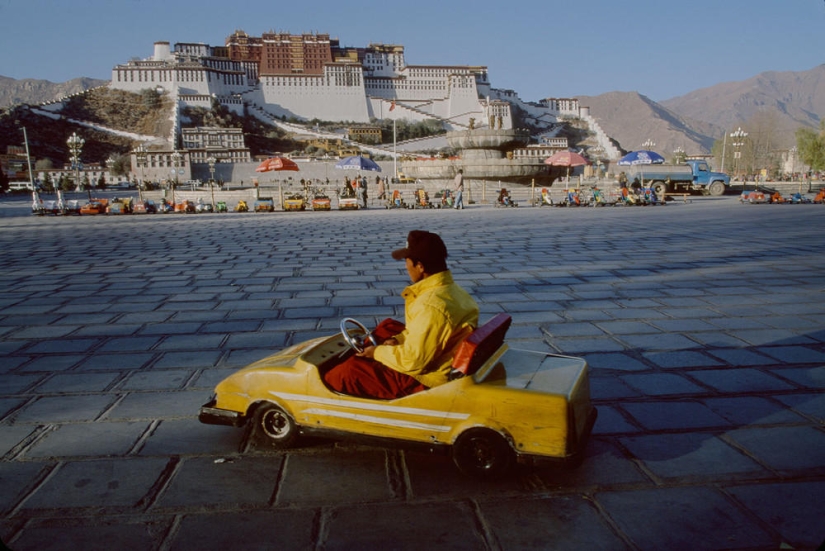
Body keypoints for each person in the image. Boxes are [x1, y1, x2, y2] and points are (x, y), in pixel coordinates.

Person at [323, 230, 479, 400]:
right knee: (388, 327)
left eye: (407, 261)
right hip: (441, 357)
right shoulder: (453, 291)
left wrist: (376, 353)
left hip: (428, 379)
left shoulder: (431, 305)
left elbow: (414, 361)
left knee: (345, 373)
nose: (406, 267)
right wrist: (397, 340)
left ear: (420, 266)